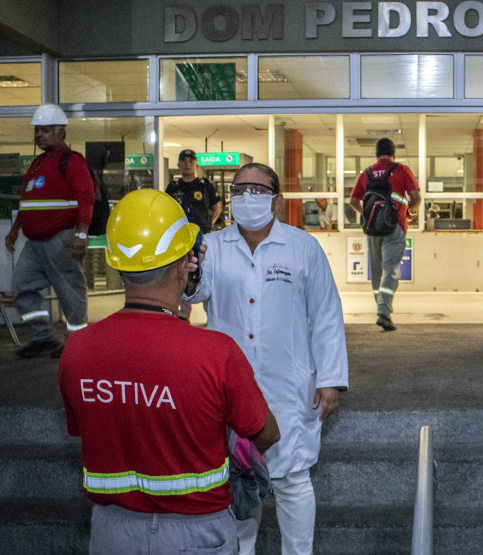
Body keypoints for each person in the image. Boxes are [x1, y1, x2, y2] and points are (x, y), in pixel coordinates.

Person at [58, 188, 280, 554]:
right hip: (198, 534)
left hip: (111, 533)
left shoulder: (77, 350)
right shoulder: (216, 352)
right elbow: (266, 432)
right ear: (183, 266)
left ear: (117, 265)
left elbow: (88, 427)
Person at [185, 162, 349, 555]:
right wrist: (189, 269)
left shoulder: (302, 246)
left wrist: (330, 378)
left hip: (288, 385)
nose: (247, 197)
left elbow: (326, 313)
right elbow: (192, 294)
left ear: (276, 200)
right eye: (239, 190)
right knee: (238, 481)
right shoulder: (212, 245)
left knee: (292, 480)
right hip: (228, 386)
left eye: (257, 191)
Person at [4, 104, 93, 359]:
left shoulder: (72, 161)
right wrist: (14, 231)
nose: (38, 135)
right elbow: (28, 202)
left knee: (70, 292)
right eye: (37, 131)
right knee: (22, 286)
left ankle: (77, 341)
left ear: (60, 132)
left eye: (44, 130)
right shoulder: (36, 164)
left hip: (60, 238)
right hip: (34, 242)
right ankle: (43, 337)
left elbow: (85, 197)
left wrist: (82, 233)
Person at [349, 138, 421, 332]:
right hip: (395, 226)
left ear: (376, 154)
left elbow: (353, 201)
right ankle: (384, 310)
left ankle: (380, 307)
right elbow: (415, 197)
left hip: (372, 229)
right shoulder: (402, 170)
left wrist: (368, 214)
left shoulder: (367, 173)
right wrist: (409, 210)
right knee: (391, 270)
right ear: (393, 153)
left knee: (377, 271)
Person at [166, 149, 222, 322]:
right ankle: (183, 316)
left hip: (203, 237)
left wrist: (209, 225)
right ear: (179, 164)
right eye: (184, 160)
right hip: (181, 239)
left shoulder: (206, 186)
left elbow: (216, 208)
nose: (187, 164)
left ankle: (209, 314)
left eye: (191, 160)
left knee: (207, 273)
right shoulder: (173, 187)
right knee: (182, 274)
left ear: (196, 163)